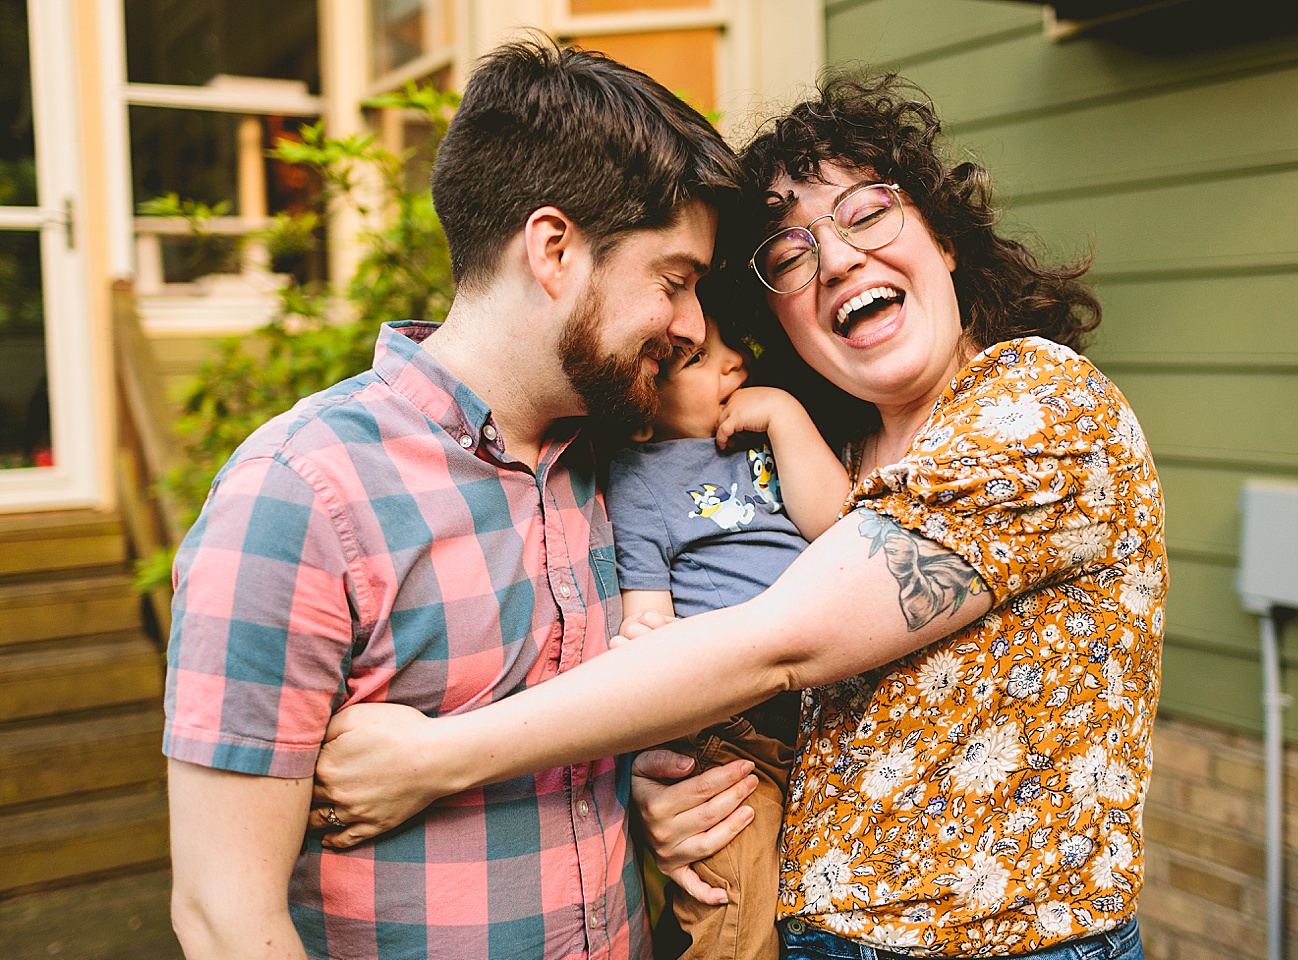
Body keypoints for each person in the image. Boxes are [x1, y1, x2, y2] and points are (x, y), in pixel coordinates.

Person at [310, 73, 1166, 960]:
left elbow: (774, 644)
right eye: (792, 254)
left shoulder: (1043, 409)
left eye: (868, 213)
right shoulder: (812, 458)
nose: (835, 260)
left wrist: (435, 759)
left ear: (944, 238)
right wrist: (665, 788)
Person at [162, 39, 740, 960]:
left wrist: (637, 790)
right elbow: (226, 916)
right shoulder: (301, 495)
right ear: (552, 248)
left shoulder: (616, 465)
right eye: (671, 280)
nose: (693, 327)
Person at [609, 309, 850, 960]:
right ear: (644, 401)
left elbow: (838, 525)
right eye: (697, 360)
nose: (732, 362)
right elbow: (646, 611)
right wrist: (646, 637)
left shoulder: (769, 439)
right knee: (735, 911)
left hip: (816, 721)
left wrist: (784, 416)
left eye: (728, 345)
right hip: (727, 732)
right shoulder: (640, 476)